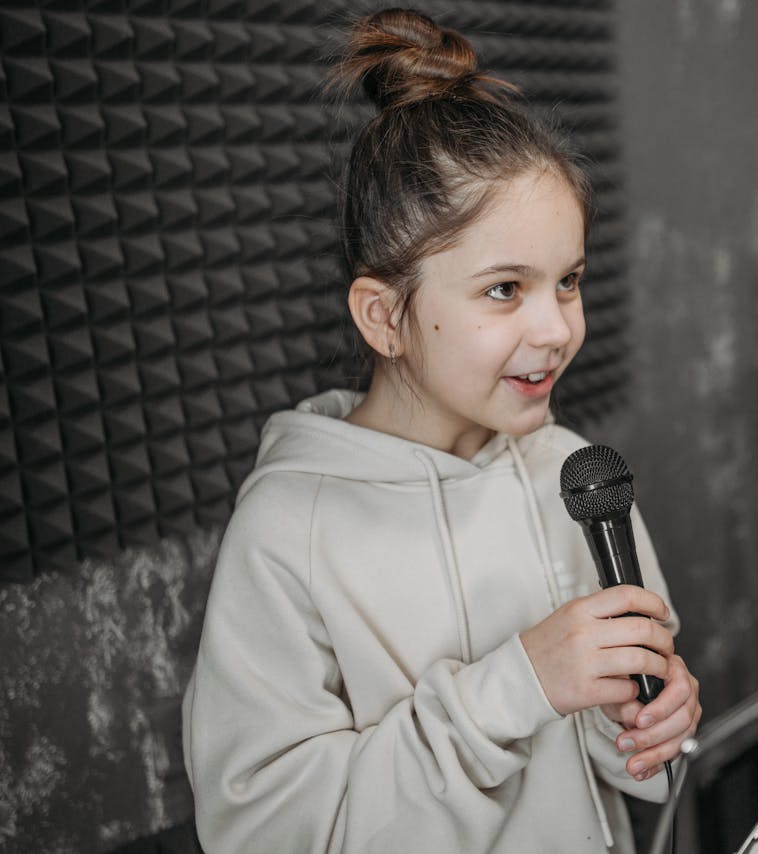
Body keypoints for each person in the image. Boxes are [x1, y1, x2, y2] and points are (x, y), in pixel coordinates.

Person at [182, 10, 700, 853]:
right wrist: (518, 684)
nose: (556, 329)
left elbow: (634, 766)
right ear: (385, 316)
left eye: (567, 281)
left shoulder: (574, 473)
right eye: (505, 289)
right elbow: (270, 835)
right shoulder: (287, 532)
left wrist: (647, 719)